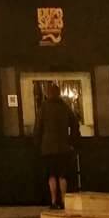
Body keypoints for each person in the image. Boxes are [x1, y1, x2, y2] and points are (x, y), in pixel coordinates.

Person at [36, 82, 79, 210]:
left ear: (48, 94)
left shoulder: (43, 108)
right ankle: (64, 200)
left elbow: (38, 128)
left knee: (51, 175)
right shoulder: (65, 107)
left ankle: (54, 200)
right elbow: (75, 124)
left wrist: (38, 144)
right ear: (59, 93)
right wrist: (72, 141)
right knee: (62, 175)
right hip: (64, 148)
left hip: (48, 149)